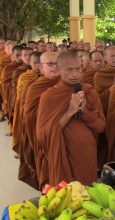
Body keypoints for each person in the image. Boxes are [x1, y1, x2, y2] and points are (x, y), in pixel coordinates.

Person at [36, 51, 105, 186]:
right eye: (69, 70)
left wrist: (84, 111)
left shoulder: (89, 92)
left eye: (78, 69)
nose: (74, 74)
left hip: (86, 155)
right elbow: (42, 134)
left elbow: (101, 126)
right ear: (59, 69)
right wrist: (69, 112)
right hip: (62, 156)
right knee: (66, 197)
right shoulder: (49, 96)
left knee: (87, 195)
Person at [23, 52, 61, 189]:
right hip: (44, 138)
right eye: (50, 64)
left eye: (57, 63)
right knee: (49, 175)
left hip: (64, 138)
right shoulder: (35, 87)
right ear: (40, 67)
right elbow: (29, 117)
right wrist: (51, 116)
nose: (55, 67)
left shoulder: (67, 84)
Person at [13, 52, 41, 189]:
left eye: (40, 63)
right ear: (30, 62)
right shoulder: (25, 78)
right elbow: (22, 101)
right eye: (35, 63)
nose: (38, 66)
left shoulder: (54, 80)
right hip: (31, 118)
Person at [1, 45, 24, 135]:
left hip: (21, 94)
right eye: (17, 55)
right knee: (13, 112)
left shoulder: (27, 67)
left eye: (21, 55)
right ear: (12, 56)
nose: (20, 58)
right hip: (11, 93)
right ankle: (12, 129)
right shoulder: (9, 67)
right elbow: (4, 82)